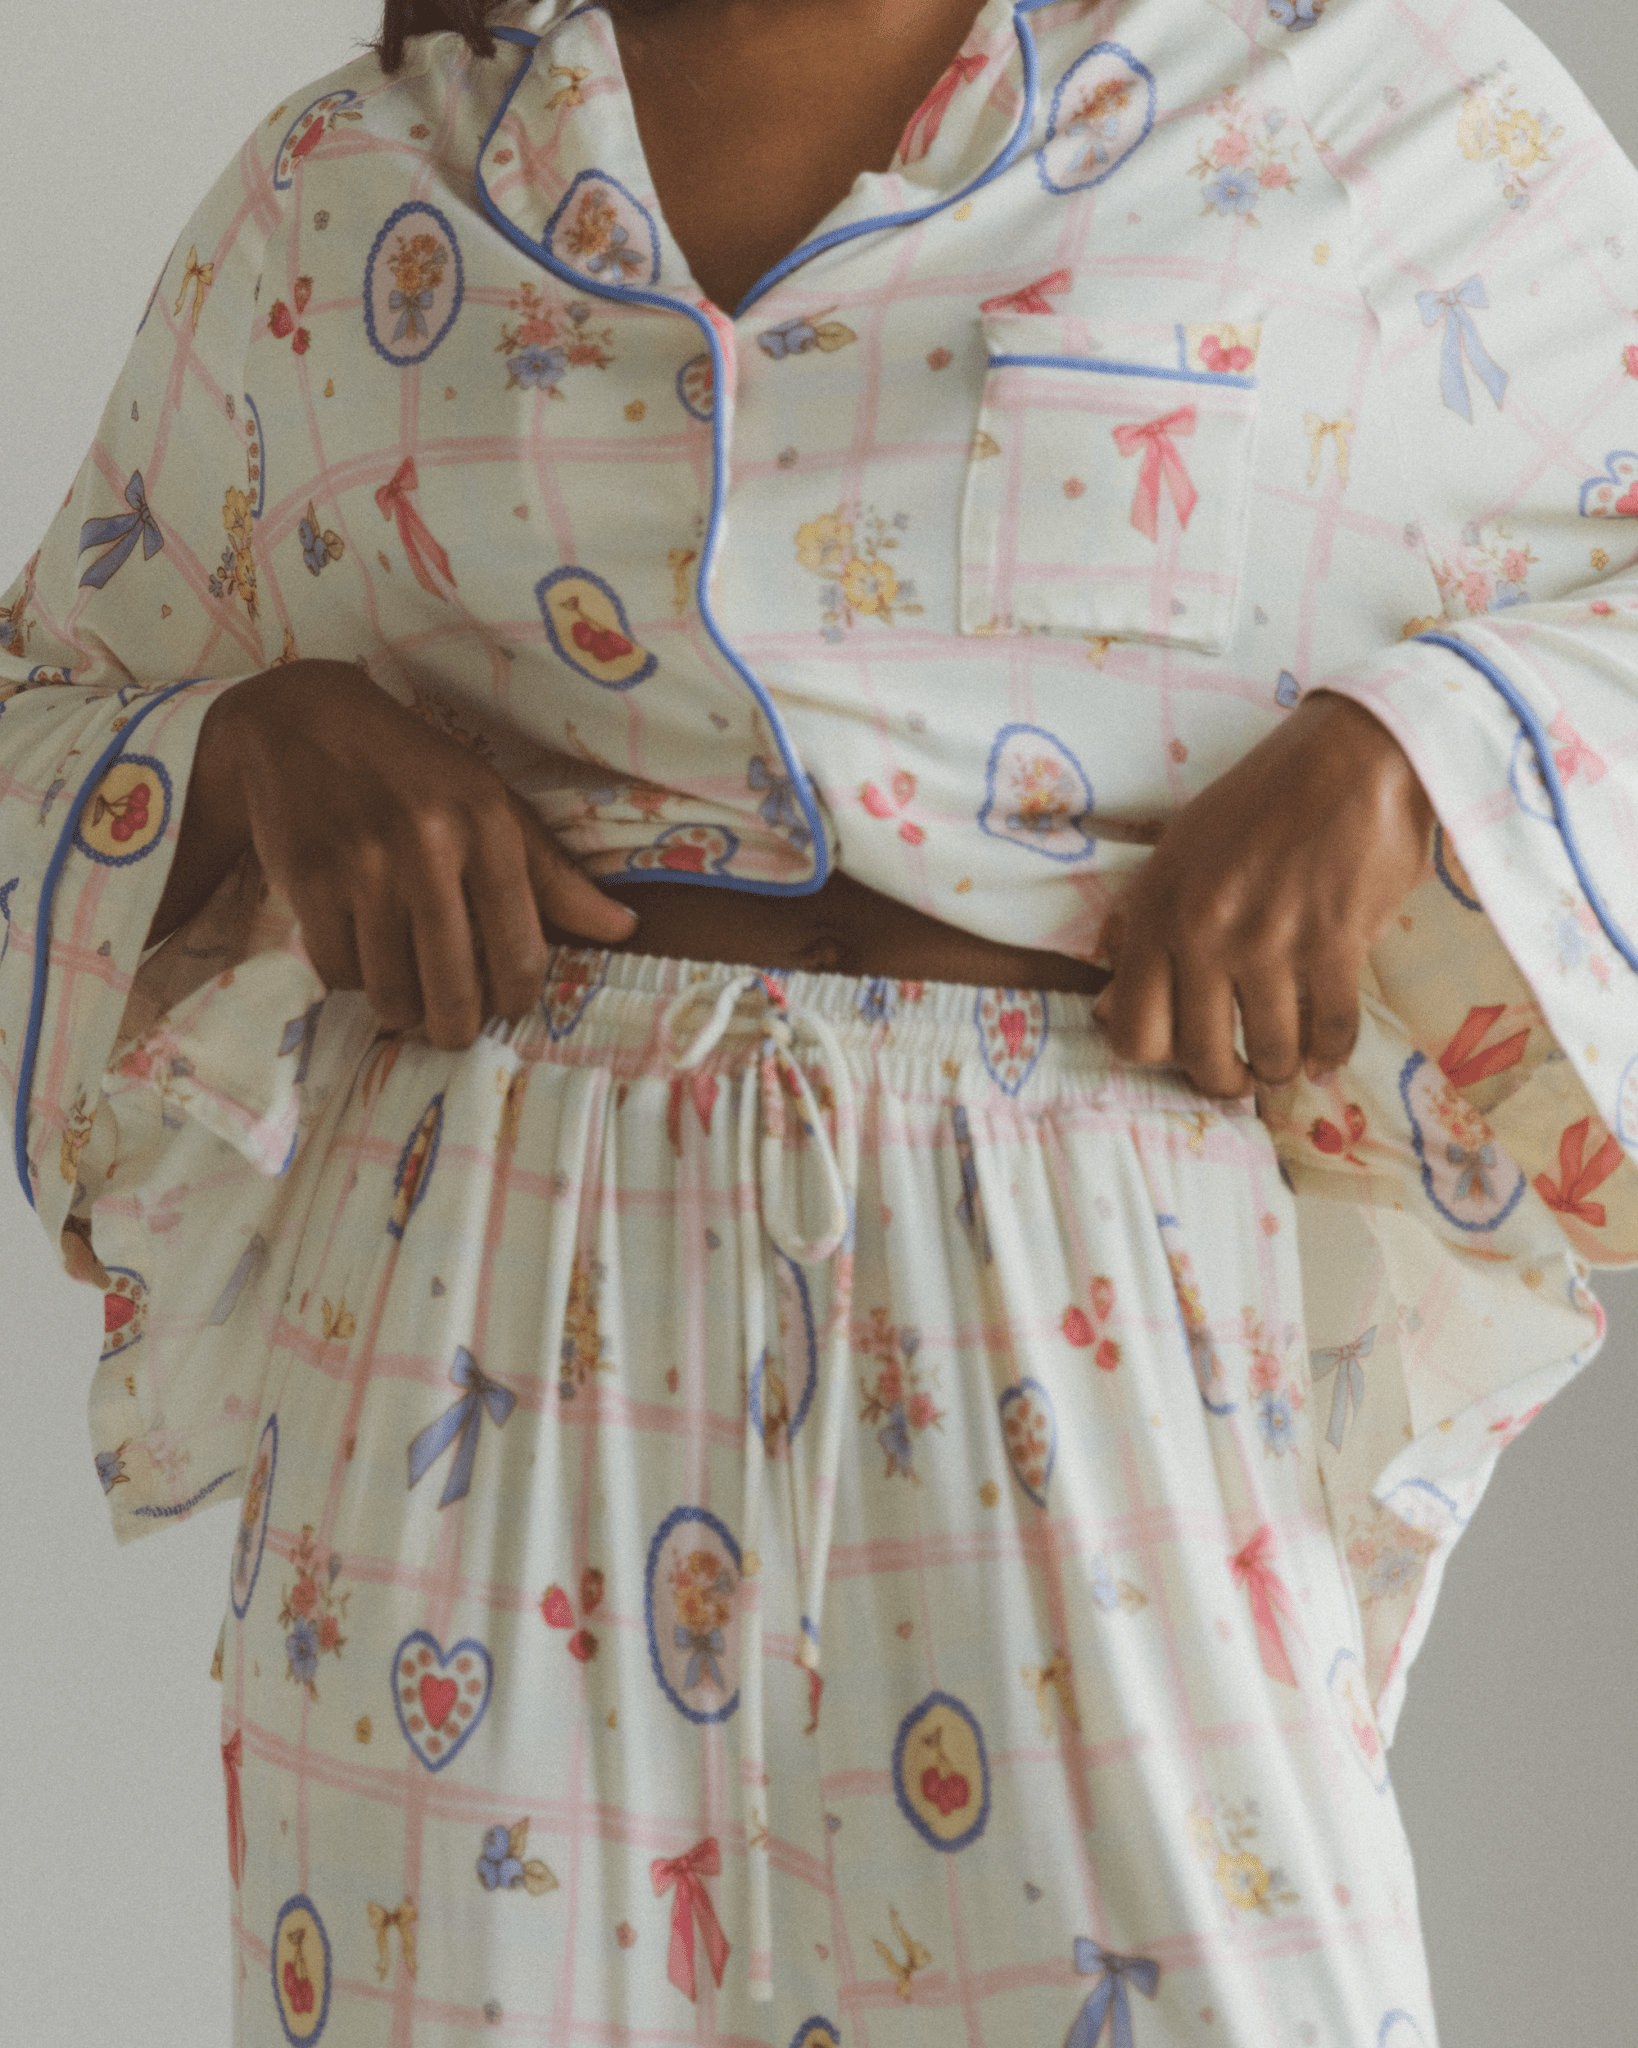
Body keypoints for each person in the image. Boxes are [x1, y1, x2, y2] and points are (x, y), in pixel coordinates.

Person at [3, 0, 1637, 2040]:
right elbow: (39, 715)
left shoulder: (1353, 98)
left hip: (1087, 1317)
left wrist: (1412, 754)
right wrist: (249, 750)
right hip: (472, 1326)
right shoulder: (360, 187)